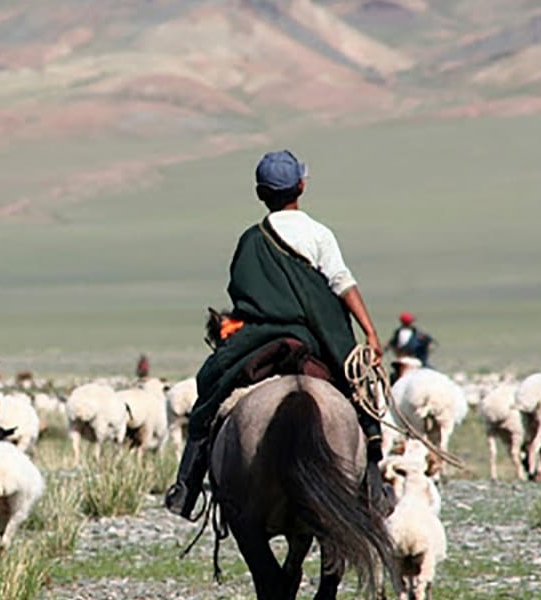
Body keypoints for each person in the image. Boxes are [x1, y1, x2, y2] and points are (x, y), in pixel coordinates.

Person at [164, 149, 385, 519]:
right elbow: (342, 283)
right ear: (301, 186)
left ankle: (186, 486)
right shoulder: (318, 234)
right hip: (315, 336)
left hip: (260, 337)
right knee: (361, 393)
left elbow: (243, 295)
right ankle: (373, 483)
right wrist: (371, 333)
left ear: (260, 193)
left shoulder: (251, 241)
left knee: (209, 386)